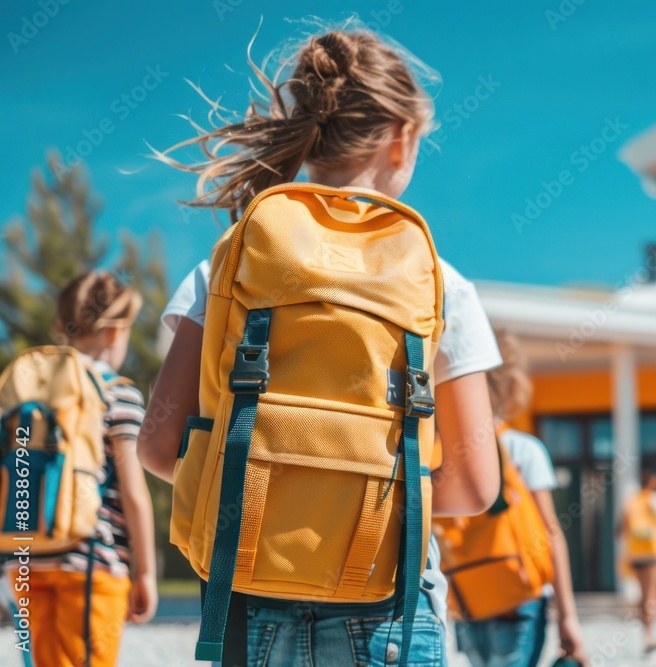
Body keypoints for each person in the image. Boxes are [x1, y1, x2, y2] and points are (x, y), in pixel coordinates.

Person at [137, 25, 502, 667]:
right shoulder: (444, 285)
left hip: (246, 602)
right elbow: (473, 485)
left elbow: (160, 446)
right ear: (401, 136)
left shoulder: (226, 265)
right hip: (387, 601)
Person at [3, 271, 158, 666]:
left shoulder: (29, 388)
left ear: (60, 326)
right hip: (93, 563)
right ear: (114, 332)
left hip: (25, 559)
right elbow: (134, 494)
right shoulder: (116, 392)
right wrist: (145, 574)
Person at [451, 330, 587, 667]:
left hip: (468, 594)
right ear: (510, 384)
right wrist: (567, 615)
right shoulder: (523, 450)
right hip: (517, 596)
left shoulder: (447, 452)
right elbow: (550, 532)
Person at [619, 469, 656, 654]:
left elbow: (621, 530)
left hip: (637, 555)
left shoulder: (631, 501)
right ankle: (650, 636)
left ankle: (646, 630)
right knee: (653, 595)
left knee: (645, 594)